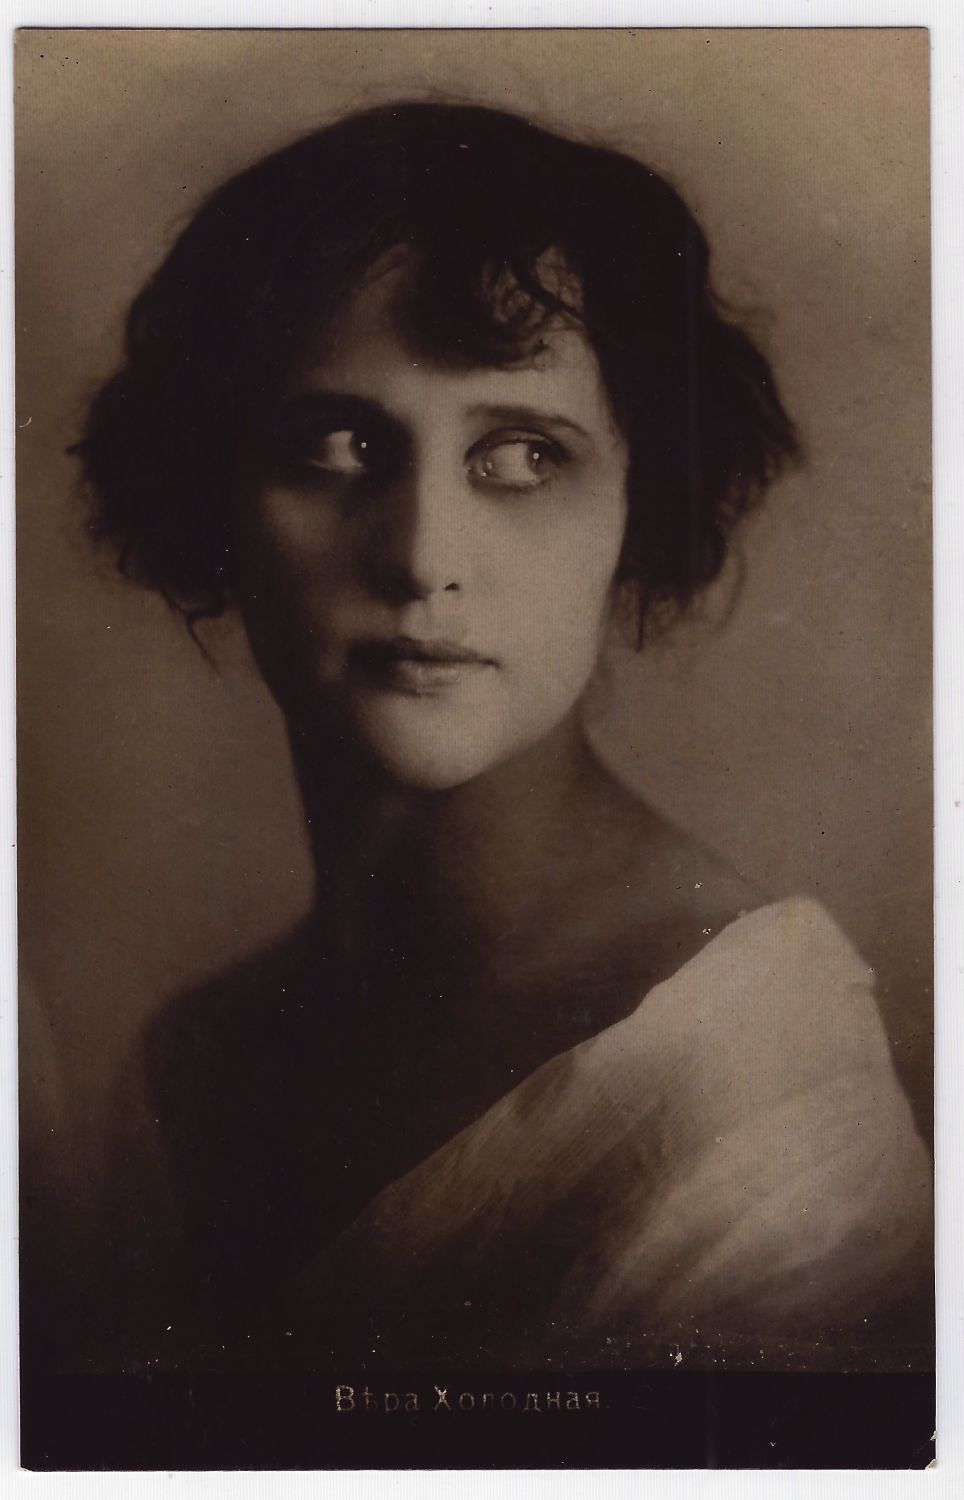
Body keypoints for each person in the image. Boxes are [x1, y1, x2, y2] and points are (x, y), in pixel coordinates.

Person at [73, 100, 931, 1375]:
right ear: (214, 496)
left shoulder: (756, 1091)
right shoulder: (183, 1065)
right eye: (338, 445)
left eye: (523, 456)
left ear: (639, 509)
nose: (423, 558)